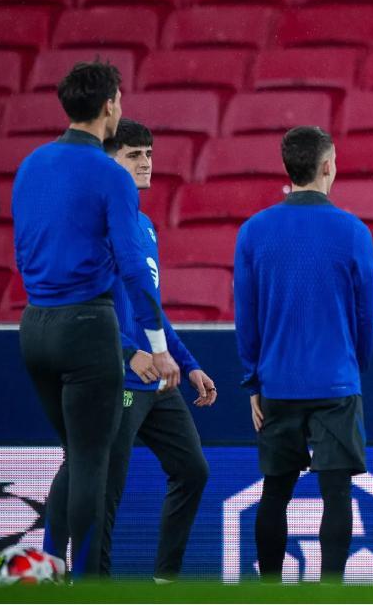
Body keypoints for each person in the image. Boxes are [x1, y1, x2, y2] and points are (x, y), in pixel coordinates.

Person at [13, 61, 178, 579]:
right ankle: (85, 583)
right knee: (89, 460)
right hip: (86, 326)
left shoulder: (32, 164)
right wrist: (157, 346)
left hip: (34, 325)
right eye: (120, 100)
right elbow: (134, 267)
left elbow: (25, 245)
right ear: (110, 105)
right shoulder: (111, 175)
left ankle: (47, 566)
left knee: (75, 453)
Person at [234, 126, 373, 583]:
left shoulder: (253, 231)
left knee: (275, 491)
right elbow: (365, 313)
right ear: (328, 165)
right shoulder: (353, 231)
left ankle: (271, 591)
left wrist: (253, 380)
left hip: (277, 381)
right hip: (336, 380)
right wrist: (355, 367)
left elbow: (246, 315)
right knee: (337, 492)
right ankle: (329, 592)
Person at [94, 119, 215, 581]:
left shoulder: (144, 227)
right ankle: (91, 584)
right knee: (104, 488)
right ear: (109, 161)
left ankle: (165, 582)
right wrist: (129, 353)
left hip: (157, 378)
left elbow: (152, 311)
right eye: (133, 154)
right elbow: (90, 309)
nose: (145, 162)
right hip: (120, 377)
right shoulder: (98, 227)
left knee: (193, 470)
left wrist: (188, 363)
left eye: (148, 153)